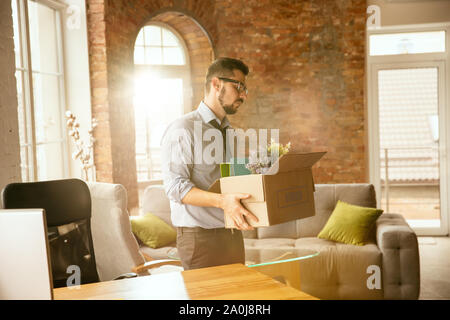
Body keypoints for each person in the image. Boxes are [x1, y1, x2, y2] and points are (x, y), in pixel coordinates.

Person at [160, 57, 259, 270]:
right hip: (199, 240)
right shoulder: (183, 129)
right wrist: (223, 202)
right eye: (239, 86)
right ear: (216, 84)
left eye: (245, 89)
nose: (243, 95)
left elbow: (234, 181)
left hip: (231, 235)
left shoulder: (231, 133)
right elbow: (175, 188)